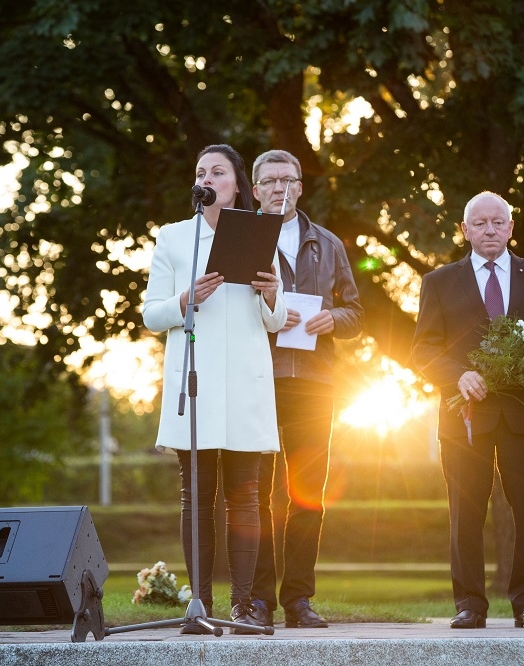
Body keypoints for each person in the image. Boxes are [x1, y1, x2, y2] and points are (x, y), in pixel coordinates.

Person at [142, 144, 287, 633]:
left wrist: (270, 294)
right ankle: (198, 607)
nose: (207, 177)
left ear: (236, 184)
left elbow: (277, 318)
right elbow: (150, 313)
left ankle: (242, 606)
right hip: (195, 381)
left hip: (245, 380)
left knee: (245, 497)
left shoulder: (259, 231)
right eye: (201, 171)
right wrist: (185, 299)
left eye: (218, 171)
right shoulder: (175, 237)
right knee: (196, 497)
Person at [411, 191, 524, 630]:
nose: (490, 230)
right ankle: (470, 605)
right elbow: (422, 349)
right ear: (464, 230)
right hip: (464, 418)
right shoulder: (438, 282)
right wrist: (457, 376)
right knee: (466, 512)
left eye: (498, 222)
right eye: (480, 223)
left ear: (511, 228)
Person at [248, 149, 364, 628]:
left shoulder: (328, 244)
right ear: (255, 190)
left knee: (307, 494)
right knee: (255, 494)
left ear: (301, 186)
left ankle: (298, 599)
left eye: (290, 179)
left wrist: (331, 318)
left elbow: (356, 313)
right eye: (271, 181)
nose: (282, 188)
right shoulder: (238, 240)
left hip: (315, 385)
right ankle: (256, 600)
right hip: (256, 378)